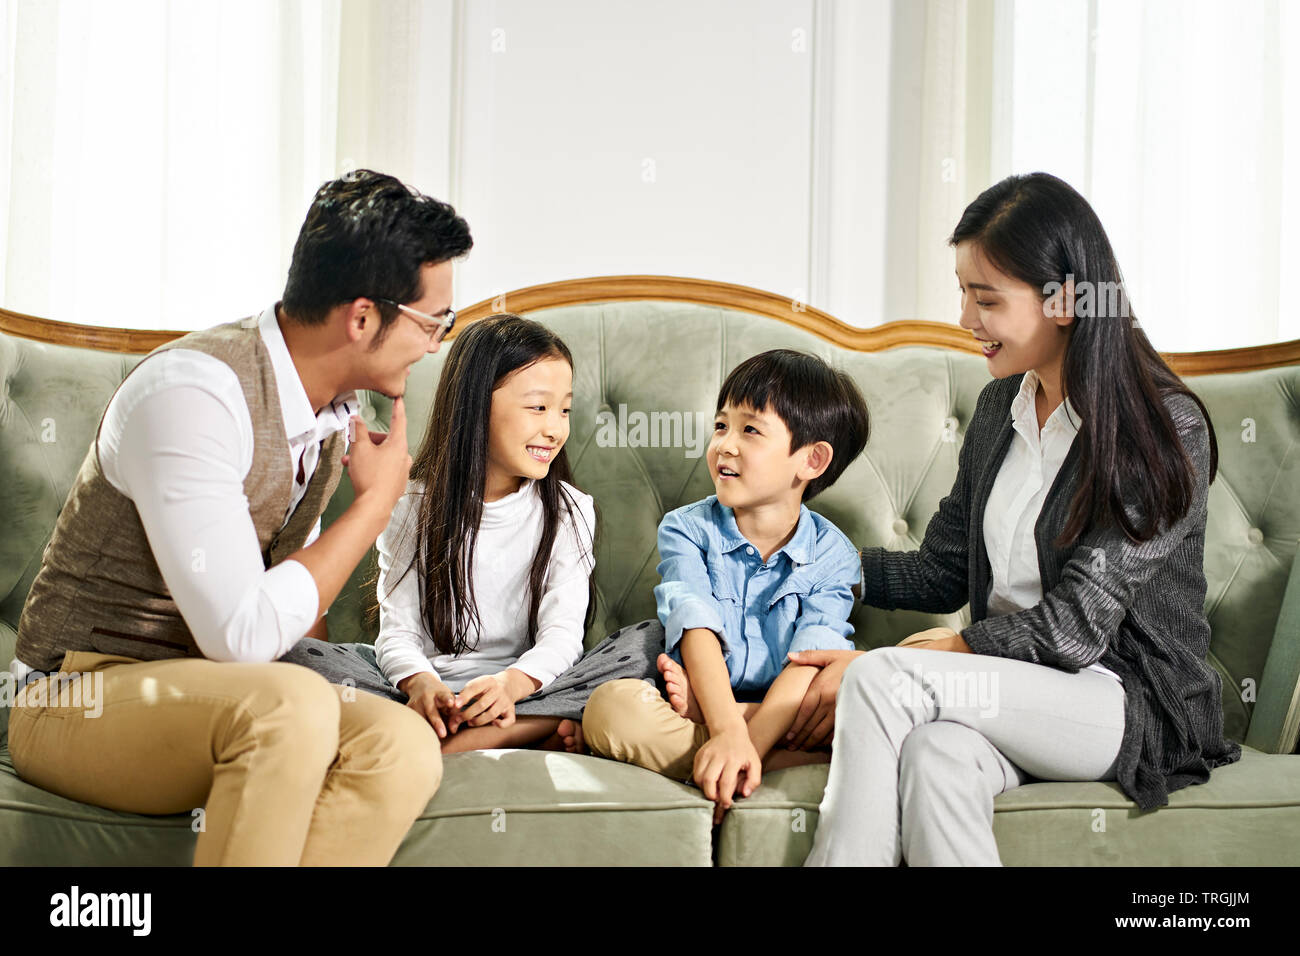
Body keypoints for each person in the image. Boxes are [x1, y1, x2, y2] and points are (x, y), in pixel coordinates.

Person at [7, 169, 469, 866]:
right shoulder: (194, 395)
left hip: (213, 696)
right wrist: (376, 503)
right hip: (75, 695)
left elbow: (286, 611)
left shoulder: (330, 415)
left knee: (399, 746)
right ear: (364, 316)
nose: (437, 344)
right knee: (288, 706)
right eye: (435, 322)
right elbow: (241, 636)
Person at [788, 172, 1242, 866]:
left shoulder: (1165, 426)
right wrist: (809, 562)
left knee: (882, 678)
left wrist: (946, 653)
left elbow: (1075, 628)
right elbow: (942, 573)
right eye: (963, 291)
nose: (966, 318)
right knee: (937, 755)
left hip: (1126, 700)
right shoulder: (1002, 408)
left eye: (986, 298)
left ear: (1063, 301)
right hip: (1016, 691)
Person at [280, 313, 663, 753]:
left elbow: (562, 636)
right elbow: (398, 630)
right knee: (296, 659)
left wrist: (509, 685)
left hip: (526, 688)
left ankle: (483, 731)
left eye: (565, 410)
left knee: (648, 643)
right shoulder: (409, 505)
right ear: (476, 405)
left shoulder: (570, 511)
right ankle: (516, 728)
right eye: (538, 407)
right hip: (422, 687)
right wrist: (421, 685)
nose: (556, 428)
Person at [582, 349, 870, 823]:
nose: (725, 445)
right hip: (714, 704)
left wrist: (740, 742)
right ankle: (755, 756)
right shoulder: (687, 529)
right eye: (721, 426)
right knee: (611, 709)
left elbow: (808, 662)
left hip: (785, 711)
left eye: (750, 430)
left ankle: (726, 758)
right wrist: (727, 729)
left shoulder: (834, 554)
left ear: (812, 460)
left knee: (858, 713)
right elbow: (694, 626)